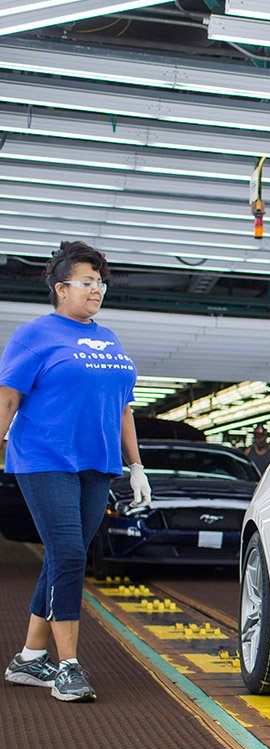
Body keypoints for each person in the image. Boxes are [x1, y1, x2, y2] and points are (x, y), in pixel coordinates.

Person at [0, 241, 150, 703]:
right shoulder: (34, 335)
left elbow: (123, 407)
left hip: (97, 463)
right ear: (61, 288)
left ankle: (28, 659)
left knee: (64, 557)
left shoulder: (110, 339)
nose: (96, 290)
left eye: (100, 283)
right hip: (45, 458)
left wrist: (137, 465)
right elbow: (7, 399)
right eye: (87, 282)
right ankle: (67, 666)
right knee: (68, 555)